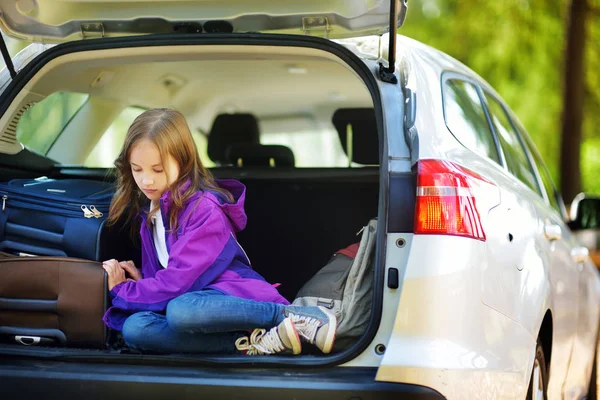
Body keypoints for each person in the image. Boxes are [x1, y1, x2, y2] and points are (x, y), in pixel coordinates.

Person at [101, 108, 337, 356]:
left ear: (182, 161)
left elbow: (178, 285)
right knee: (135, 328)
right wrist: (143, 282)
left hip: (229, 301)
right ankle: (254, 344)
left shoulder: (204, 210)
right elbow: (167, 280)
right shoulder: (152, 210)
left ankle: (293, 318)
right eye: (137, 169)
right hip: (196, 307)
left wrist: (123, 291)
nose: (146, 180)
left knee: (182, 310)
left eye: (157, 170)